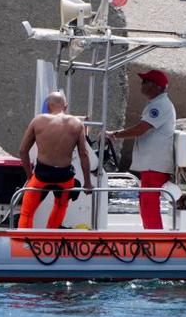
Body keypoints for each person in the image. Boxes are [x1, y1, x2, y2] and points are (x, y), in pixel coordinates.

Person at [107, 69, 176, 229]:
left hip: (155, 164)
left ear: (156, 86)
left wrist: (114, 135)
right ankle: (152, 234)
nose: (142, 85)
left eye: (145, 82)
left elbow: (141, 129)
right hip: (152, 163)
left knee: (148, 203)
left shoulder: (160, 105)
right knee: (146, 202)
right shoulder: (156, 103)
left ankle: (154, 238)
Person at [16, 91, 93, 229]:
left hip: (41, 175)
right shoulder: (77, 123)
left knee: (27, 212)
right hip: (64, 176)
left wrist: (29, 177)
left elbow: (22, 151)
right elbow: (84, 154)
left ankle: (24, 242)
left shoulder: (38, 121)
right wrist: (87, 182)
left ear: (48, 105)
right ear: (66, 105)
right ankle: (51, 238)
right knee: (61, 205)